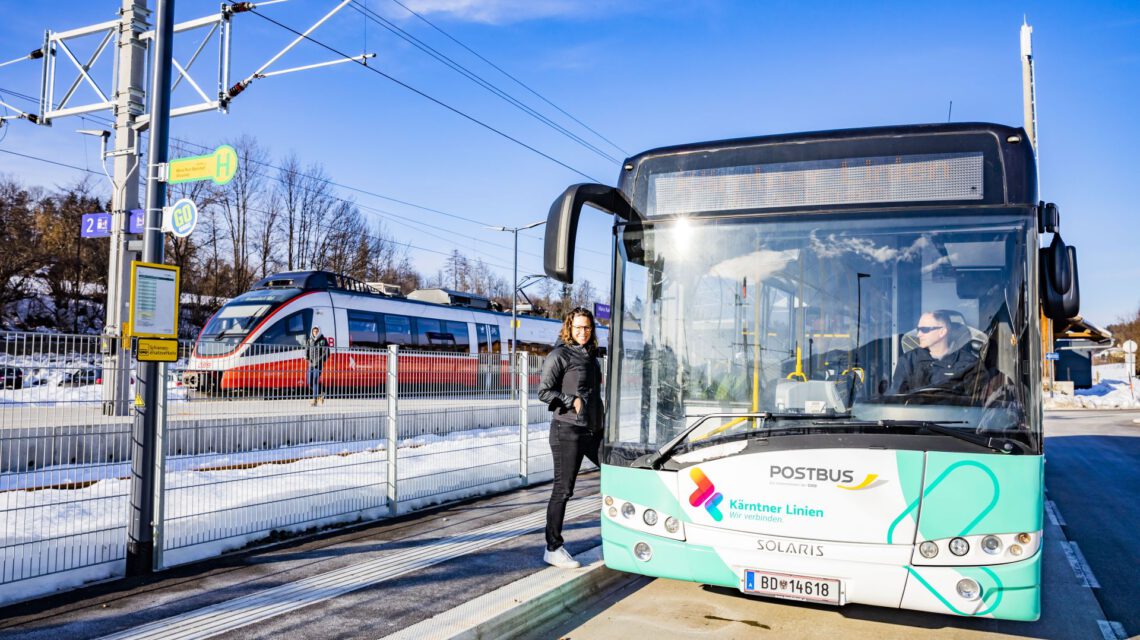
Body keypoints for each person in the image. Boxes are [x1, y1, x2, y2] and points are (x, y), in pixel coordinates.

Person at [538, 307, 604, 569]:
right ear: (569, 327)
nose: (583, 332)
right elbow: (544, 392)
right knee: (563, 490)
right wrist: (571, 400)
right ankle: (552, 548)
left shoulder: (591, 356)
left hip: (592, 430)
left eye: (587, 327)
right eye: (578, 327)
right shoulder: (559, 355)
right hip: (566, 430)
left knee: (616, 472)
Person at [889, 310, 979, 396]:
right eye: (918, 329)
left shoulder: (969, 364)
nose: (918, 334)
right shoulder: (908, 361)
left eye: (925, 330)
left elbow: (977, 403)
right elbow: (895, 399)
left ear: (942, 332)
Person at [305, 325, 330, 406]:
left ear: (319, 331)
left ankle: (314, 400)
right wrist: (306, 356)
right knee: (309, 382)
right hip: (311, 364)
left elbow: (326, 353)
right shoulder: (310, 340)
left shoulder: (323, 340)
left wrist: (318, 360)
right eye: (314, 331)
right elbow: (307, 349)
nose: (315, 333)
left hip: (318, 364)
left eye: (316, 331)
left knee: (315, 381)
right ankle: (320, 394)